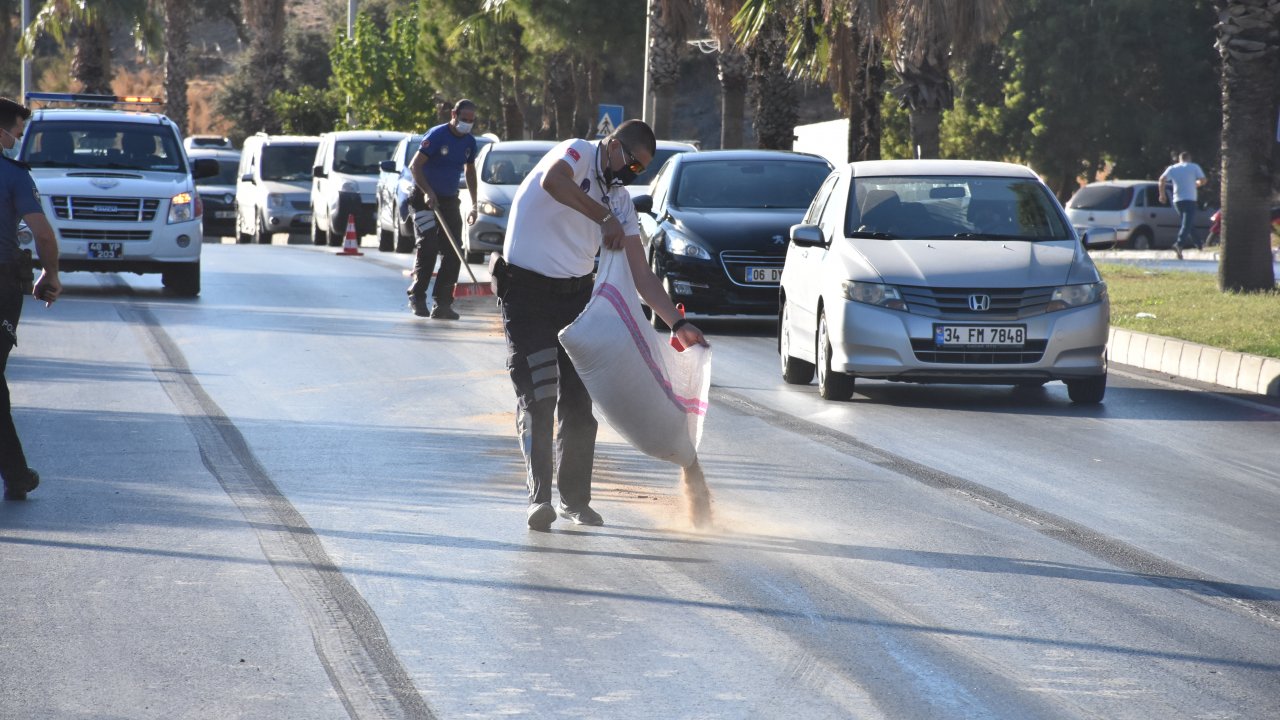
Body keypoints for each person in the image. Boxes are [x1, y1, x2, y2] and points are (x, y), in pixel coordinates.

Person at [498, 119, 708, 531]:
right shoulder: (576, 153)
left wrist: (678, 323)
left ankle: (576, 501)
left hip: (577, 298)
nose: (631, 175)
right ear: (612, 146)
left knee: (578, 404)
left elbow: (642, 276)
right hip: (526, 292)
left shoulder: (622, 201)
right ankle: (539, 499)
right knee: (539, 393)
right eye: (630, 164)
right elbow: (553, 183)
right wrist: (602, 217)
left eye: (640, 172)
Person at [0, 97, 61, 500]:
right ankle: (17, 474)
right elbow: (42, 234)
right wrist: (50, 274)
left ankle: (17, 473)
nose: (17, 139)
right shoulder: (14, 175)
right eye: (17, 131)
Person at [405, 99, 479, 319]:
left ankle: (443, 303)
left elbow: (470, 172)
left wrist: (474, 204)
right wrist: (427, 191)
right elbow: (415, 166)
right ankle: (417, 296)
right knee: (428, 245)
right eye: (464, 119)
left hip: (448, 201)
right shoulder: (437, 136)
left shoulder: (469, 142)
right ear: (454, 114)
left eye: (471, 121)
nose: (467, 123)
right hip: (422, 199)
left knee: (454, 251)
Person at [1158, 151, 1207, 259]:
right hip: (1190, 199)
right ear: (1189, 158)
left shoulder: (1173, 168)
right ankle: (1179, 244)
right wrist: (1197, 184)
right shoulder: (1194, 167)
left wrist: (1162, 195)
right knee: (1187, 223)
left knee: (1187, 223)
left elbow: (1162, 179)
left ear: (1180, 159)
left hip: (1177, 200)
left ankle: (1199, 245)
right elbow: (1203, 180)